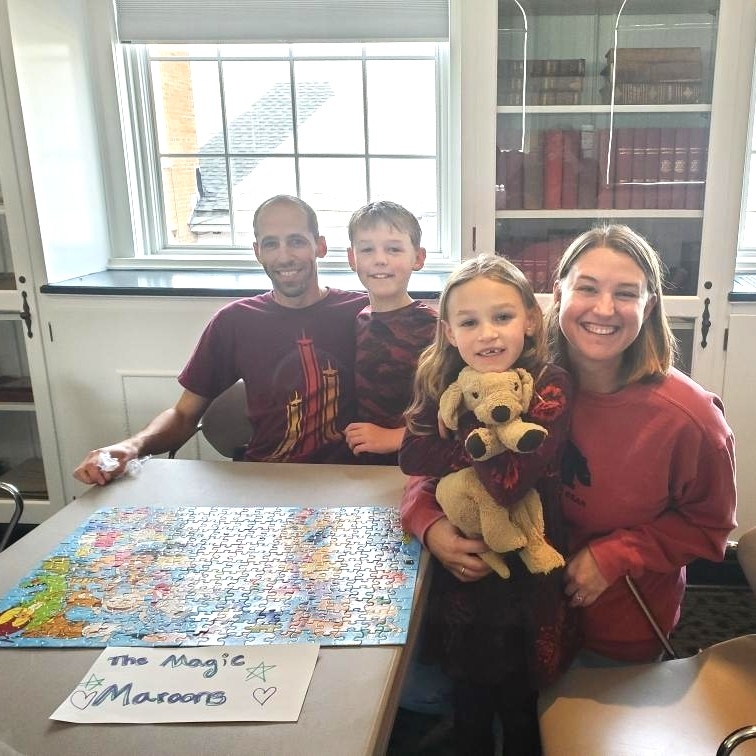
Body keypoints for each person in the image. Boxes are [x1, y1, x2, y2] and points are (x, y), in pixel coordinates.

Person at [399, 254, 577, 755]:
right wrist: (485, 442)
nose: (488, 334)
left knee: (522, 708)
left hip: (528, 574)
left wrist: (461, 433)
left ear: (530, 320)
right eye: (469, 322)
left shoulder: (549, 383)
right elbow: (412, 455)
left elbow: (509, 483)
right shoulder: (440, 379)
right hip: (464, 572)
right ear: (450, 332)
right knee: (469, 703)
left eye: (502, 316)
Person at [73, 195, 368, 485]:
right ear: (257, 252)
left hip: (350, 480)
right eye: (271, 244)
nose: (284, 256)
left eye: (296, 241)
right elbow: (183, 414)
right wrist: (131, 446)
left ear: (320, 246)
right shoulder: (235, 321)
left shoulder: (363, 312)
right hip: (264, 481)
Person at [546, 224, 736, 665]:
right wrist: (431, 521)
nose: (604, 308)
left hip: (615, 633)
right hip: (513, 617)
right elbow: (442, 459)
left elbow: (711, 529)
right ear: (558, 295)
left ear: (649, 307)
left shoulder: (692, 420)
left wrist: (617, 554)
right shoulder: (518, 384)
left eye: (626, 294)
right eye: (587, 288)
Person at [343, 201, 437, 465]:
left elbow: (454, 409)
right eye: (367, 249)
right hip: (366, 466)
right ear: (352, 258)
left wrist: (395, 437)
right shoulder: (359, 319)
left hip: (420, 464)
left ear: (418, 257)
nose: (380, 259)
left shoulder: (434, 328)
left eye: (394, 249)